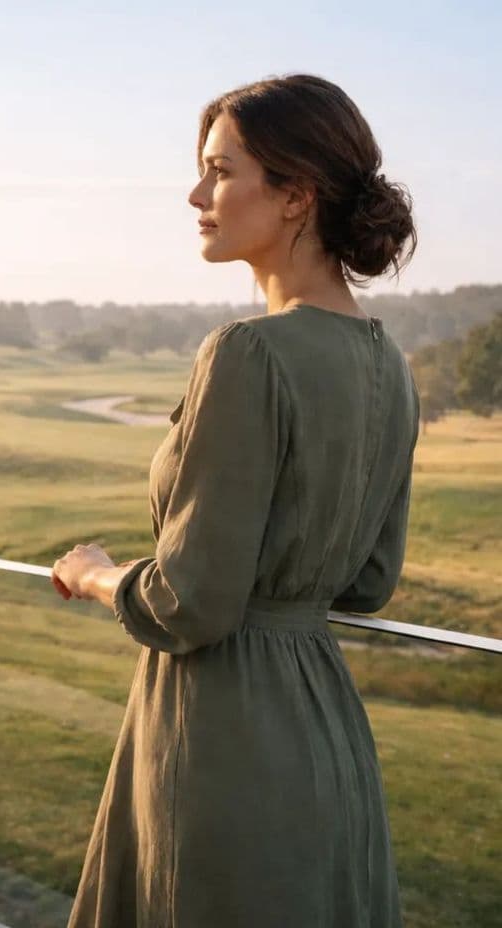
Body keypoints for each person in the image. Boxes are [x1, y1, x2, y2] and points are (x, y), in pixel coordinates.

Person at [52, 72, 419, 928]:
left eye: (220, 172)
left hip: (222, 739)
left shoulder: (247, 353)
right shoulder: (389, 364)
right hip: (328, 738)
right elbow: (368, 582)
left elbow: (193, 602)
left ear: (296, 195)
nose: (197, 196)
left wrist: (96, 573)